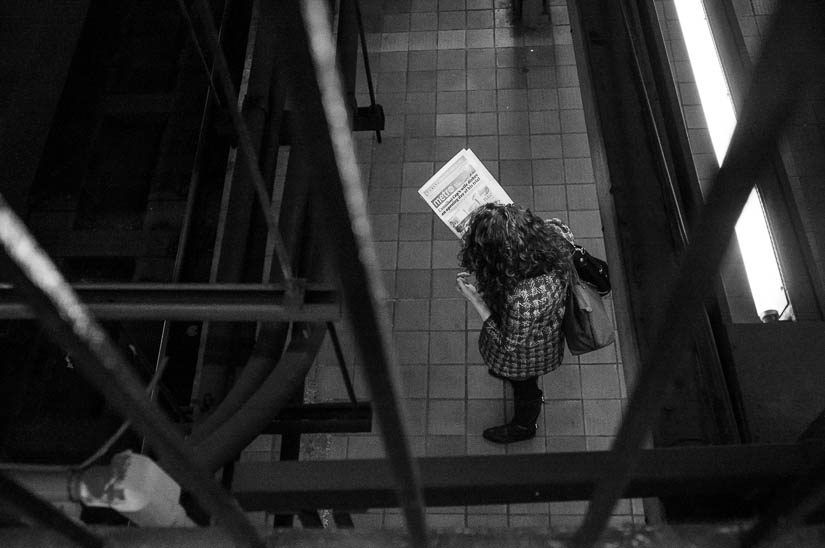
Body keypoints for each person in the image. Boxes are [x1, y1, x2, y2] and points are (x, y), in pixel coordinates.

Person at [456, 203, 571, 443]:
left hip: (529, 353)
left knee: (525, 385)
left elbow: (508, 343)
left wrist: (476, 301)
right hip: (544, 325)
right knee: (519, 381)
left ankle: (524, 425)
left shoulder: (523, 299)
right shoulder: (552, 238)